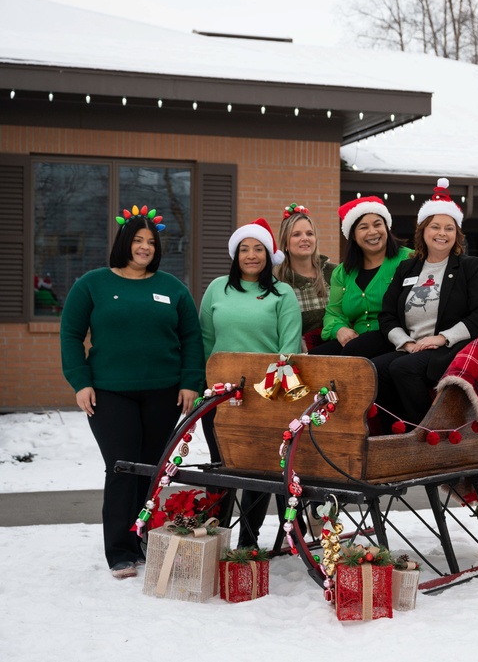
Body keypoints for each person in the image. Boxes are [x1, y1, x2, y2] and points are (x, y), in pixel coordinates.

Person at [60, 205, 204, 579]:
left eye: (151, 242)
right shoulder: (92, 284)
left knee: (151, 469)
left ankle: (144, 537)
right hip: (110, 393)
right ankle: (120, 550)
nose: (144, 248)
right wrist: (80, 381)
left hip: (164, 392)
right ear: (125, 242)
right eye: (138, 240)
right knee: (122, 466)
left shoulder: (172, 287)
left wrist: (191, 381)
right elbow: (71, 336)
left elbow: (191, 337)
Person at [199, 218, 302, 548]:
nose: (251, 255)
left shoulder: (282, 293)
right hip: (219, 394)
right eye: (244, 249)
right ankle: (215, 537)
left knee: (257, 471)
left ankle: (247, 542)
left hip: (264, 396)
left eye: (259, 248)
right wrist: (207, 380)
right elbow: (204, 337)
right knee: (221, 466)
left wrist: (269, 392)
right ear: (235, 254)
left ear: (270, 254)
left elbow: (289, 345)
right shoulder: (217, 288)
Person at [373, 178, 478, 425]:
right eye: (435, 226)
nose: (442, 233)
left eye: (449, 228)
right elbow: (387, 315)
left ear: (457, 234)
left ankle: (428, 430)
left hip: (449, 349)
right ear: (423, 231)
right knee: (374, 370)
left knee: (402, 369)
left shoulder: (469, 267)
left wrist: (441, 338)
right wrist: (405, 342)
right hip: (412, 347)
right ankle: (399, 426)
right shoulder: (407, 268)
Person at [310, 196, 413, 357]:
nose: (372, 232)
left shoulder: (408, 259)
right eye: (363, 227)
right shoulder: (343, 272)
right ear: (353, 235)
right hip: (356, 339)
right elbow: (334, 312)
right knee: (312, 358)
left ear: (387, 227)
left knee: (354, 351)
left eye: (378, 224)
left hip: (394, 336)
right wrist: (339, 329)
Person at [274, 203, 336, 351]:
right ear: (286, 243)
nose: (305, 239)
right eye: (296, 234)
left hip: (339, 353)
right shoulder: (276, 281)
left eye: (309, 233)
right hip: (298, 360)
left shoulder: (334, 273)